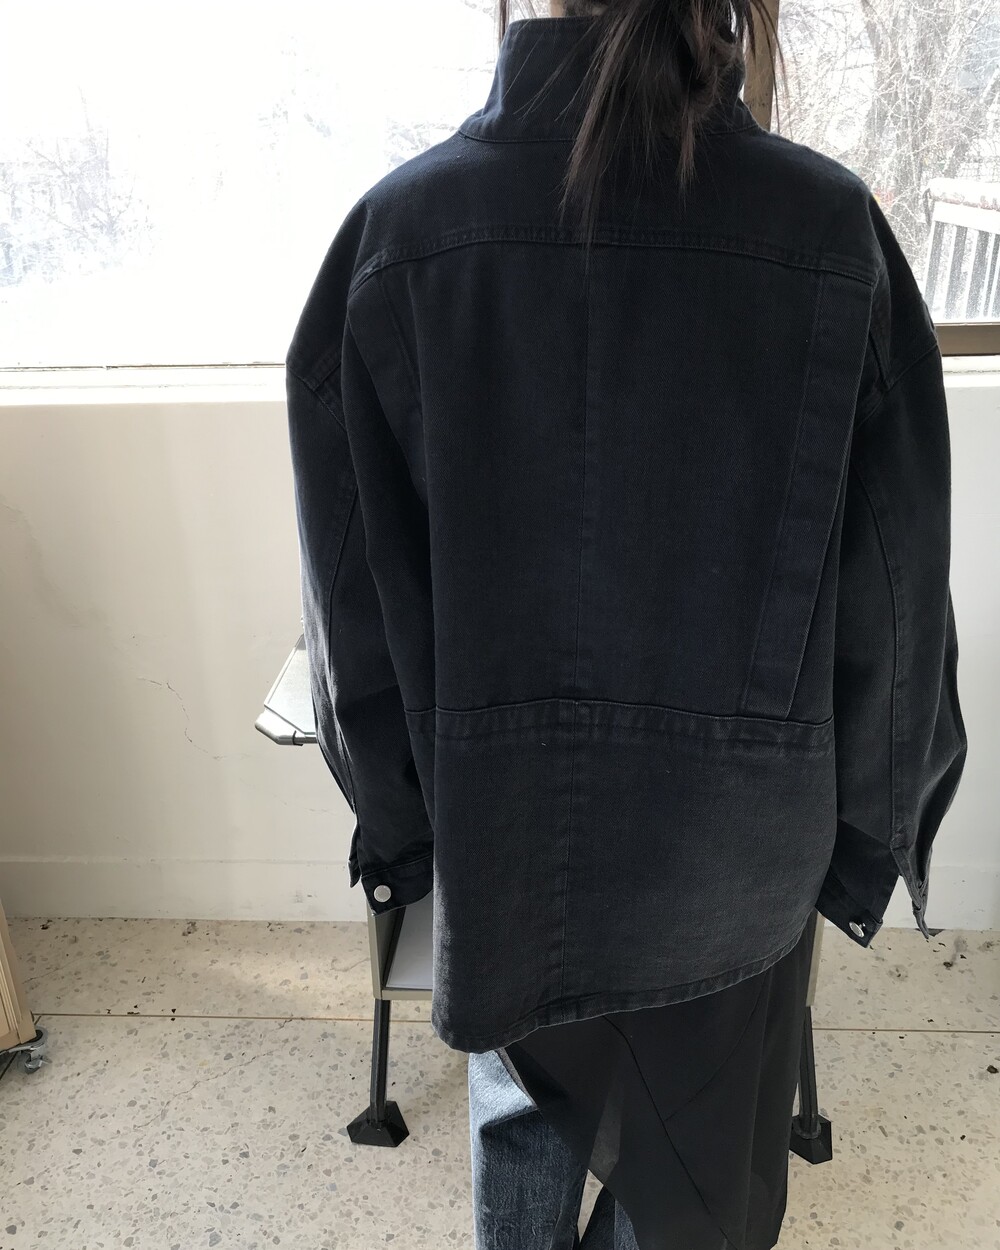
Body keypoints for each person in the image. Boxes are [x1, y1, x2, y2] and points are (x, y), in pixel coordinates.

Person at [284, 2, 968, 1247]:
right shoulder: (828, 229)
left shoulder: (400, 233)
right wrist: (872, 829)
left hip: (505, 835)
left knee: (522, 1119)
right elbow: (898, 583)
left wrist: (400, 825)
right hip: (738, 855)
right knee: (697, 1192)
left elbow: (351, 603)